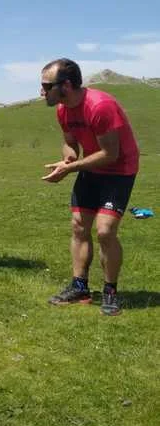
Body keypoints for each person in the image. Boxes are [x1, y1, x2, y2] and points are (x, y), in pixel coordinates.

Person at [40, 58, 139, 316]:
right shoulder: (63, 109)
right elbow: (70, 143)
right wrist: (68, 159)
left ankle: (110, 291)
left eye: (47, 86)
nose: (42, 92)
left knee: (105, 230)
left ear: (66, 85)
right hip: (91, 167)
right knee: (79, 225)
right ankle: (80, 287)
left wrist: (72, 168)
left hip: (119, 169)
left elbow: (110, 154)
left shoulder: (100, 106)